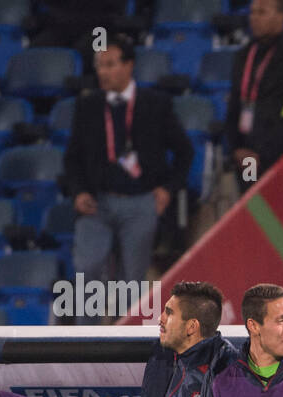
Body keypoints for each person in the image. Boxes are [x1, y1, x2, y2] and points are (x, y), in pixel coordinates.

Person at [63, 33, 192, 301]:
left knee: (131, 281)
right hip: (97, 203)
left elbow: (185, 152)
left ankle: (124, 340)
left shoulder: (155, 104)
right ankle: (83, 341)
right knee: (86, 269)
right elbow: (72, 157)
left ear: (129, 65)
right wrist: (78, 192)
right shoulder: (88, 106)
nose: (103, 72)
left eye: (110, 64)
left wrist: (168, 189)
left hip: (141, 202)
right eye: (100, 65)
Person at [225, 0, 283, 190]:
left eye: (262, 12)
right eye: (252, 12)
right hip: (245, 156)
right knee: (250, 210)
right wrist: (236, 149)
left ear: (281, 16)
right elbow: (234, 104)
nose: (254, 18)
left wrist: (263, 154)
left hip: (280, 156)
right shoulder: (243, 55)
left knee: (279, 213)